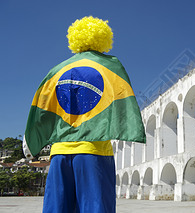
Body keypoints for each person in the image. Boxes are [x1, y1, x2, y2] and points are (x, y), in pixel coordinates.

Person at [23, 16, 146, 213]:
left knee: (56, 209)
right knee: (96, 208)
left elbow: (42, 107)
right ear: (104, 39)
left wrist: (32, 138)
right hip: (93, 149)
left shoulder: (57, 70)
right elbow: (124, 100)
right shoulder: (109, 65)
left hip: (59, 152)